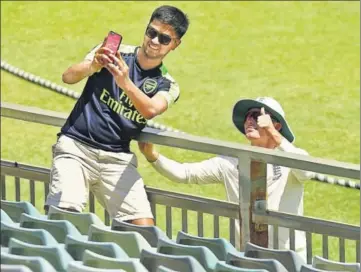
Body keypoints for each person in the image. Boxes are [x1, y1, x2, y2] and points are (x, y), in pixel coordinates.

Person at [45, 5, 190, 226]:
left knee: (144, 230)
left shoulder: (168, 84)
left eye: (164, 39)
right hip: (76, 148)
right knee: (64, 220)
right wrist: (93, 65)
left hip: (117, 159)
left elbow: (150, 109)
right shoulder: (115, 53)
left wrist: (125, 81)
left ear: (176, 44)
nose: (154, 41)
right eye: (151, 32)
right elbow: (68, 77)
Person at [138, 97, 312, 260]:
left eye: (257, 115)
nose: (250, 120)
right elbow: (185, 173)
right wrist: (153, 156)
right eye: (248, 116)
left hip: (289, 258)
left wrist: (273, 133)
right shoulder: (230, 162)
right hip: (247, 258)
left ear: (277, 125)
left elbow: (306, 172)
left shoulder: (291, 157)